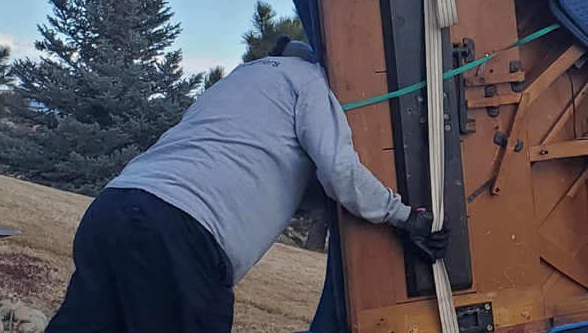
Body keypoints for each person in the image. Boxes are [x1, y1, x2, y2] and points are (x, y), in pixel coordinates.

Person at [45, 38, 451, 333]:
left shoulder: (237, 83)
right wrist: (402, 217)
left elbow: (265, 174)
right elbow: (339, 170)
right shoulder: (307, 79)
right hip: (181, 231)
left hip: (113, 207)